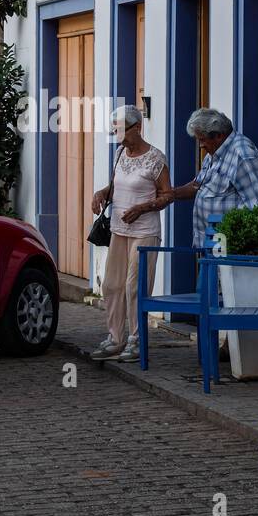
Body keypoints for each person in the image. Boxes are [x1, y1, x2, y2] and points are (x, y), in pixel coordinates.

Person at [89, 104, 172, 362]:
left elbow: (167, 195)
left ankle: (137, 340)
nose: (118, 136)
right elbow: (116, 187)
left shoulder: (156, 158)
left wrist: (143, 208)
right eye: (114, 130)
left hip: (145, 231)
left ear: (137, 127)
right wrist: (102, 193)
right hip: (119, 229)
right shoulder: (119, 153)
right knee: (112, 284)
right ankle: (116, 338)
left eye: (122, 130)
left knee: (135, 287)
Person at [171, 107, 258, 248]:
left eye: (202, 140)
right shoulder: (214, 152)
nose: (201, 146)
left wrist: (235, 239)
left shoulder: (241, 154)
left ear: (218, 135)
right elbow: (197, 186)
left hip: (227, 244)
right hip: (209, 243)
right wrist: (170, 194)